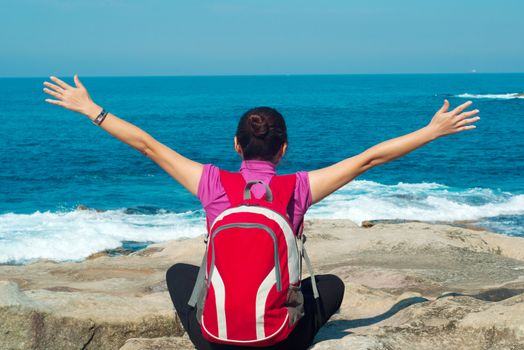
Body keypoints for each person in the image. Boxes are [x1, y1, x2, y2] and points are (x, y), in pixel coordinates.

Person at [43, 75, 480, 349]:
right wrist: (431, 131)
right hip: (277, 340)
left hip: (217, 339)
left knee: (179, 273)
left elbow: (147, 145)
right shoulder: (298, 188)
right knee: (332, 286)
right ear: (284, 149)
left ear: (236, 145)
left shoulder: (211, 182)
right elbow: (369, 159)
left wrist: (91, 109)